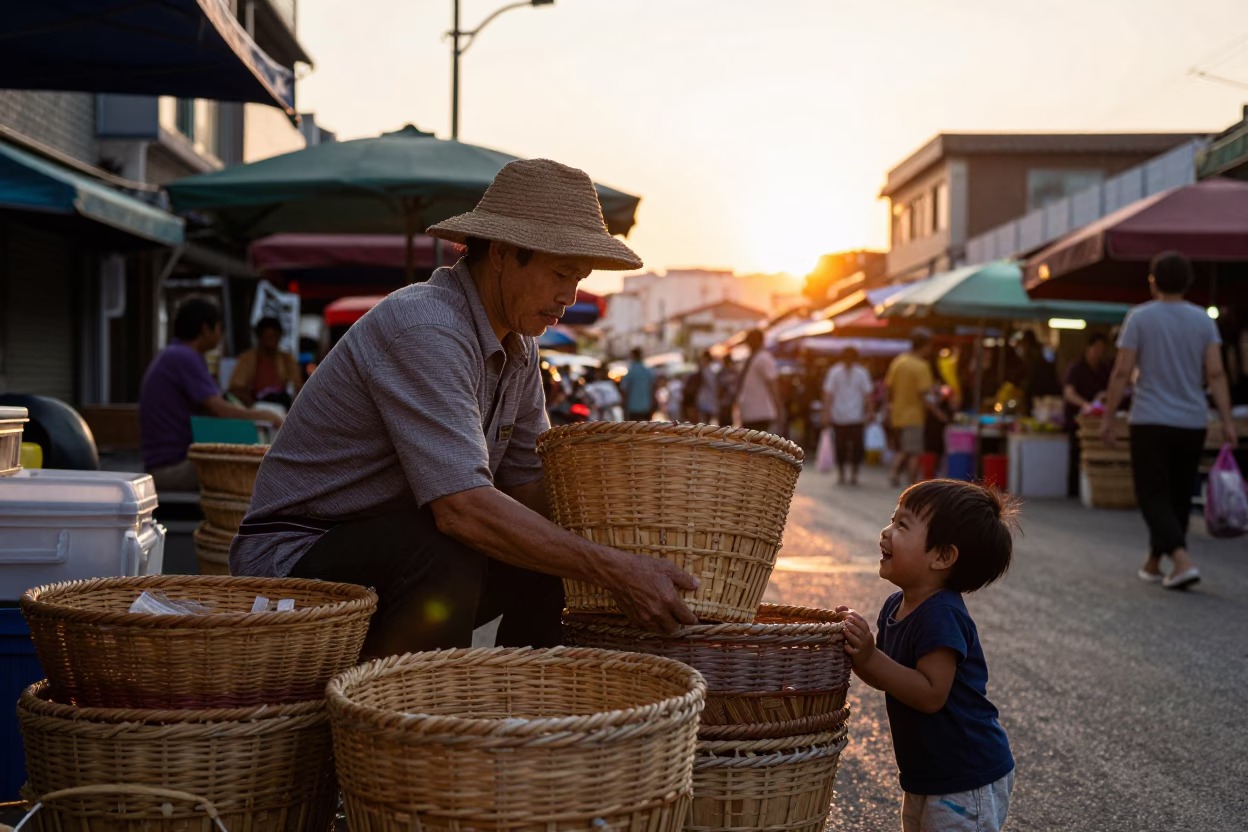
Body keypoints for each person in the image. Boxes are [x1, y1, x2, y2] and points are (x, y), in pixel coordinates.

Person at [229, 159, 698, 658]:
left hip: (391, 549)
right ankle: (419, 721)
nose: (569, 295)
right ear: (501, 253)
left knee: (549, 560)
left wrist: (625, 536)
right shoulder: (425, 326)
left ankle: (541, 719)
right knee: (451, 545)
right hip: (292, 559)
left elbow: (528, 488)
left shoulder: (519, 347)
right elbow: (461, 510)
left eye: (579, 278)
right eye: (561, 274)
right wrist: (612, 568)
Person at [839, 480, 1016, 832]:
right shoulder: (896, 605)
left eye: (902, 525)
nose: (885, 532)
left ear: (943, 556)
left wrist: (872, 658)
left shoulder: (941, 614)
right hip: (929, 775)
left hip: (965, 778)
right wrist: (859, 655)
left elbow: (930, 693)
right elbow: (891, 678)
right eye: (892, 520)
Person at [1100, 251, 1237, 590]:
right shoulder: (1203, 320)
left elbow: (1121, 372)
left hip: (1149, 418)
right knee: (1177, 493)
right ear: (1189, 283)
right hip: (1192, 420)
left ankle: (1180, 558)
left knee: (1152, 493)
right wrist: (1227, 420)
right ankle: (1155, 560)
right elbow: (1216, 374)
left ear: (1153, 281)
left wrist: (1107, 418)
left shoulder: (1140, 318)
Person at [139, 298, 283, 493]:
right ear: (206, 328)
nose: (220, 335)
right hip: (172, 467)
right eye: (219, 328)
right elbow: (219, 409)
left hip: (170, 463)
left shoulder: (176, 355)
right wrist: (266, 416)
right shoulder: (184, 357)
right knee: (261, 473)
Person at [886, 329, 945, 487]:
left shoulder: (899, 361)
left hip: (898, 413)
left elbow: (889, 388)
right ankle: (911, 484)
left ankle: (894, 473)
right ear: (924, 346)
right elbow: (924, 395)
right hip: (914, 415)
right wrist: (938, 413)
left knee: (904, 447)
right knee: (914, 452)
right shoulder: (921, 366)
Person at [1062, 333, 1111, 498]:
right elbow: (1069, 393)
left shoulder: (1104, 370)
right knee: (1076, 454)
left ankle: (1095, 490)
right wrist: (1085, 405)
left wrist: (1101, 399)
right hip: (1077, 420)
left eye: (1102, 349)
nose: (1099, 352)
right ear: (1087, 349)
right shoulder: (1076, 368)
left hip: (1097, 421)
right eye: (1096, 348)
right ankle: (1074, 492)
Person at [822, 347, 873, 485]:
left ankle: (854, 473)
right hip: (839, 416)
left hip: (857, 416)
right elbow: (828, 394)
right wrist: (826, 413)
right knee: (840, 447)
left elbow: (867, 394)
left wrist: (870, 411)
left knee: (857, 447)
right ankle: (842, 473)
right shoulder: (834, 372)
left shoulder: (862, 373)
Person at [228, 317, 304, 409]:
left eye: (274, 337)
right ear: (260, 338)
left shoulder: (287, 360)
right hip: (255, 408)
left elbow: (297, 388)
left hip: (283, 407)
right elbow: (236, 388)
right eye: (268, 337)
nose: (271, 342)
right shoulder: (248, 358)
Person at [736, 329, 781, 432]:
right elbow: (773, 385)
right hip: (761, 412)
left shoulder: (751, 359)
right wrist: (779, 408)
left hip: (751, 412)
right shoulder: (763, 358)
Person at [620, 347, 656, 421]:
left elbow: (624, 390)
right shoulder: (648, 372)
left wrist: (623, 406)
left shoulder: (630, 372)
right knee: (645, 430)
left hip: (632, 408)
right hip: (646, 407)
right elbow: (653, 389)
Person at [695, 351, 719, 425]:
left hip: (706, 402)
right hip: (704, 402)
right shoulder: (706, 371)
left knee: (705, 423)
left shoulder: (709, 371)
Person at [716, 354, 740, 426]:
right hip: (724, 400)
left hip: (730, 399)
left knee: (729, 418)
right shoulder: (722, 372)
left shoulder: (733, 371)